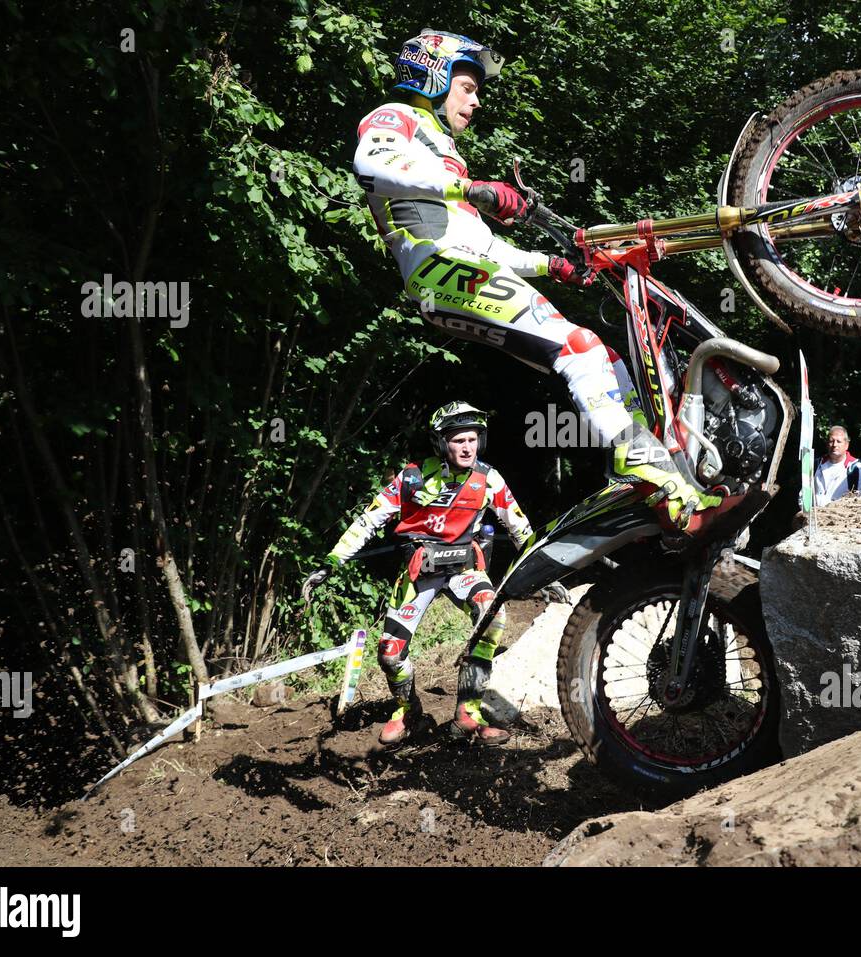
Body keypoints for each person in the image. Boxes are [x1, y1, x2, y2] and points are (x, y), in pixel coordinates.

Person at [351, 29, 720, 531]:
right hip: (435, 274)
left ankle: (647, 473)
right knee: (579, 348)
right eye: (467, 86)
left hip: (457, 266)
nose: (476, 101)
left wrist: (553, 265)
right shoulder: (398, 118)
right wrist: (473, 187)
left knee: (602, 357)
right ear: (433, 75)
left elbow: (481, 246)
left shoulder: (440, 153)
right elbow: (370, 163)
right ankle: (646, 471)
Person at [301, 402, 533, 746]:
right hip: (418, 574)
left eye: (473, 439)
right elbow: (369, 520)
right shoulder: (412, 477)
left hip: (464, 569)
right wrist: (332, 562)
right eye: (458, 440)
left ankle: (469, 712)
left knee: (493, 617)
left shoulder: (489, 478)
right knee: (389, 653)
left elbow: (520, 528)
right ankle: (409, 712)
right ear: (441, 443)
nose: (468, 447)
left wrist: (544, 571)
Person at [812, 426, 861, 507]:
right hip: (814, 516)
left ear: (846, 445)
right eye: (831, 441)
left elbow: (860, 498)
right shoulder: (817, 464)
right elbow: (804, 492)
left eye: (839, 441)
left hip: (841, 517)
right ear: (827, 444)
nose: (834, 445)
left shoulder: (856, 467)